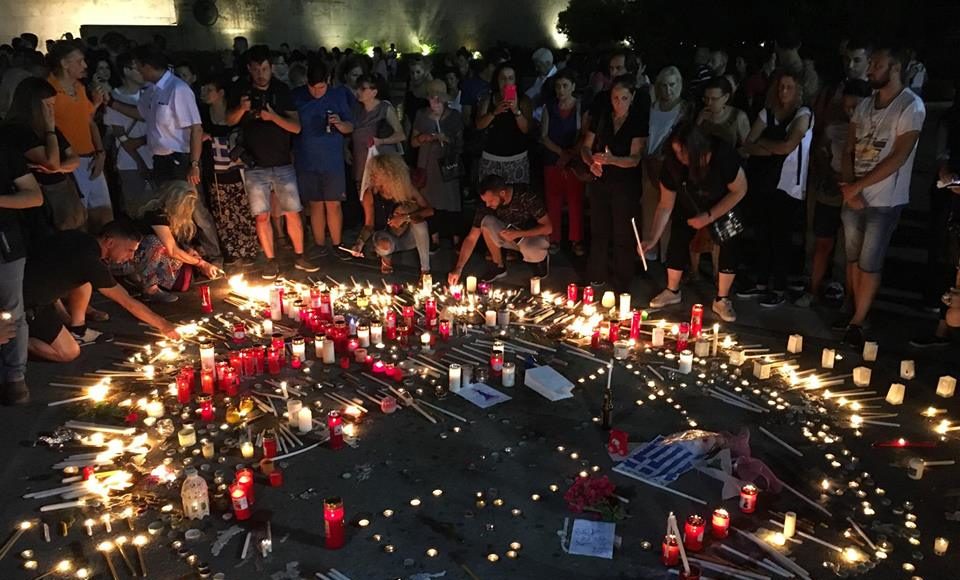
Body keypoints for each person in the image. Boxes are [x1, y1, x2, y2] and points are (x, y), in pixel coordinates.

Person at [838, 46, 926, 347]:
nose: (870, 70)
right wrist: (849, 186)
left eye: (876, 64)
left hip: (884, 199)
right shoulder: (864, 105)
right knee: (852, 257)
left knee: (870, 261)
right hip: (853, 195)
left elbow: (899, 156)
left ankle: (859, 320)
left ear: (895, 67)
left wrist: (857, 187)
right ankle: (853, 310)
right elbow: (849, 149)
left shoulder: (910, 106)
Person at [107, 44, 222, 266]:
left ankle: (214, 257)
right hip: (160, 160)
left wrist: (194, 163)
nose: (137, 71)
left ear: (148, 66)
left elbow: (195, 128)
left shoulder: (177, 89)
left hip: (181, 158)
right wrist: (112, 104)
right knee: (170, 212)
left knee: (194, 209)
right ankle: (184, 259)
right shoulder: (151, 90)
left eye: (138, 66)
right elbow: (141, 114)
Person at [24, 221, 181, 364]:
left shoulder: (79, 239)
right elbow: (127, 302)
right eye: (129, 250)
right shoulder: (90, 262)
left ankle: (78, 330)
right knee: (69, 352)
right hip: (29, 304)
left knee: (85, 281)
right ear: (110, 242)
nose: (131, 257)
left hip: (31, 287)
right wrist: (163, 325)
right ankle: (18, 341)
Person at [226, 45, 318, 278]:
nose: (261, 74)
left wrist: (273, 117)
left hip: (282, 161)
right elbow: (229, 121)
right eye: (256, 69)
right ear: (249, 69)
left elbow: (296, 127)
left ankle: (299, 256)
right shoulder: (241, 89)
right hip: (254, 164)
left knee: (292, 211)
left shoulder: (281, 90)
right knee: (262, 215)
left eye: (265, 69)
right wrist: (242, 109)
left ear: (271, 68)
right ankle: (270, 260)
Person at [643, 123, 748, 322]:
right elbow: (665, 205)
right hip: (689, 201)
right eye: (676, 152)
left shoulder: (722, 155)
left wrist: (709, 216)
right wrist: (653, 238)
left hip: (722, 202)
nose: (680, 157)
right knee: (678, 235)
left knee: (730, 242)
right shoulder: (672, 164)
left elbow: (740, 190)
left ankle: (722, 299)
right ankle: (672, 291)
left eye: (683, 152)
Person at [737, 70, 813, 307]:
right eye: (781, 87)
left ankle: (779, 287)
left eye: (789, 87)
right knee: (762, 233)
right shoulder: (767, 113)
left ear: (798, 90)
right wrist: (772, 148)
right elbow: (747, 145)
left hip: (789, 186)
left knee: (781, 237)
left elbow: (788, 146)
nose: (784, 92)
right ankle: (761, 282)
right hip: (763, 182)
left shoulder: (803, 114)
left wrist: (763, 144)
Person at [580, 74, 647, 292]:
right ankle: (596, 274)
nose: (619, 103)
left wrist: (612, 160)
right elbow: (585, 147)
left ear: (632, 97)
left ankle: (622, 279)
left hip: (625, 185)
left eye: (624, 98)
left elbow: (635, 159)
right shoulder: (602, 117)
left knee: (623, 233)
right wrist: (591, 162)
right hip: (601, 182)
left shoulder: (637, 121)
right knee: (599, 229)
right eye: (615, 98)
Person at [116, 181, 221, 302]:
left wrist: (188, 251)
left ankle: (151, 281)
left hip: (154, 258)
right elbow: (172, 250)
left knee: (184, 278)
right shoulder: (156, 214)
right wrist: (202, 264)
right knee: (154, 243)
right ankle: (149, 289)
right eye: (186, 204)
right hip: (129, 257)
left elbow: (174, 242)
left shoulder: (170, 216)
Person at [1, 77, 83, 231]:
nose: (52, 111)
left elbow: (74, 159)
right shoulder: (17, 131)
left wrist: (59, 168)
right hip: (44, 198)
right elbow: (50, 162)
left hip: (64, 190)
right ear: (33, 105)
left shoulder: (48, 128)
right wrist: (50, 130)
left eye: (53, 105)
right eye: (48, 105)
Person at [292, 58, 354, 257]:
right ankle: (319, 244)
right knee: (315, 203)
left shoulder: (338, 95)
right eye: (312, 88)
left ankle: (337, 244)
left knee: (334, 203)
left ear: (328, 81)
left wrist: (340, 124)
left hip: (332, 160)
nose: (316, 92)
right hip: (307, 160)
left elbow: (350, 126)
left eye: (321, 87)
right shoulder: (297, 96)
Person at [47, 40, 111, 231]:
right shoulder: (48, 90)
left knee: (104, 216)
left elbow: (88, 121)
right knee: (78, 218)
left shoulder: (80, 88)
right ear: (64, 63)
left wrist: (100, 152)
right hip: (69, 163)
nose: (84, 65)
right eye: (79, 61)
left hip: (91, 158)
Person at [0, 140, 43, 405]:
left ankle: (15, 376)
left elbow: (34, 196)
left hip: (5, 242)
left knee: (12, 311)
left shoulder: (5, 153)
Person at [199, 75, 259, 267]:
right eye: (203, 90)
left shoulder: (233, 113)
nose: (204, 94)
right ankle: (231, 251)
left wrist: (213, 135)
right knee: (222, 212)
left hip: (236, 167)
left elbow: (239, 133)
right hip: (215, 169)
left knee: (243, 209)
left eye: (209, 90)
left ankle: (248, 249)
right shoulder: (202, 114)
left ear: (221, 93)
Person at [448, 174, 551, 285]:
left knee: (534, 250)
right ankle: (498, 265)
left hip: (531, 237)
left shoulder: (525, 195)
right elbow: (471, 238)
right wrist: (458, 268)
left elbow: (548, 227)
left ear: (502, 193)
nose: (487, 204)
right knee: (486, 221)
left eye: (491, 200)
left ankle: (541, 260)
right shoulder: (485, 205)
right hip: (508, 236)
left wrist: (518, 233)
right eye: (485, 201)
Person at [411, 79, 464, 253]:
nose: (435, 101)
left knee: (452, 200)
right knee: (429, 200)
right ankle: (434, 238)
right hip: (427, 162)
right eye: (432, 97)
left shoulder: (454, 116)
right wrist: (423, 138)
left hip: (447, 163)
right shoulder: (421, 114)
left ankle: (456, 238)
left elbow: (460, 142)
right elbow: (413, 142)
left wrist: (446, 138)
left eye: (438, 98)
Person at [642, 67, 688, 261]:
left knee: (667, 208)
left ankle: (666, 255)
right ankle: (648, 252)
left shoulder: (684, 109)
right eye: (664, 85)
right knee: (648, 207)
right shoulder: (653, 107)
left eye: (672, 85)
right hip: (649, 162)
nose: (668, 90)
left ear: (679, 85)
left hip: (670, 164)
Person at [360, 154, 434, 274]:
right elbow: (369, 225)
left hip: (408, 236)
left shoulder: (407, 189)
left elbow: (429, 210)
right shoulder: (370, 194)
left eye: (376, 173)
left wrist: (405, 218)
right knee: (384, 245)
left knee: (419, 223)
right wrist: (360, 243)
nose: (372, 176)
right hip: (386, 236)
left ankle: (425, 270)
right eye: (371, 172)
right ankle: (386, 258)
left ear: (390, 174)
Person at [350, 73, 404, 232]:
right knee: (365, 200)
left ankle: (386, 233)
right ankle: (369, 231)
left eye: (363, 88)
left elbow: (400, 134)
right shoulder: (356, 109)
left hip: (380, 162)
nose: (359, 91)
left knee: (383, 200)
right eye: (358, 88)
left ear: (374, 92)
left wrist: (381, 141)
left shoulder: (384, 108)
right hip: (360, 160)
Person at [541, 67, 586, 256]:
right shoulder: (549, 107)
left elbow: (584, 134)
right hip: (553, 160)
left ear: (573, 86)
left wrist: (570, 154)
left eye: (565, 86)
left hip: (573, 161)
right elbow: (544, 136)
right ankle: (554, 238)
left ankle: (576, 239)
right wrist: (561, 153)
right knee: (553, 200)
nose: (561, 90)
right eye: (558, 86)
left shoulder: (580, 107)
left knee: (575, 201)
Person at [103, 51, 152, 216]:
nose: (142, 71)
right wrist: (140, 162)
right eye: (138, 68)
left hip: (153, 158)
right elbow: (121, 135)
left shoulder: (149, 92)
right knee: (135, 208)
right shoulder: (114, 96)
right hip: (129, 163)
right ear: (126, 71)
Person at [476, 63, 533, 184]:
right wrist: (494, 112)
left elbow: (526, 129)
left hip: (517, 158)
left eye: (510, 78)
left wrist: (516, 110)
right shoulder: (488, 99)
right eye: (503, 78)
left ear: (515, 81)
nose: (507, 82)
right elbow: (479, 125)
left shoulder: (524, 100)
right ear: (497, 81)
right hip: (491, 158)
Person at [526, 47, 556, 120]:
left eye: (539, 66)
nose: (536, 69)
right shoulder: (541, 76)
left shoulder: (555, 81)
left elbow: (545, 109)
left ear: (548, 63)